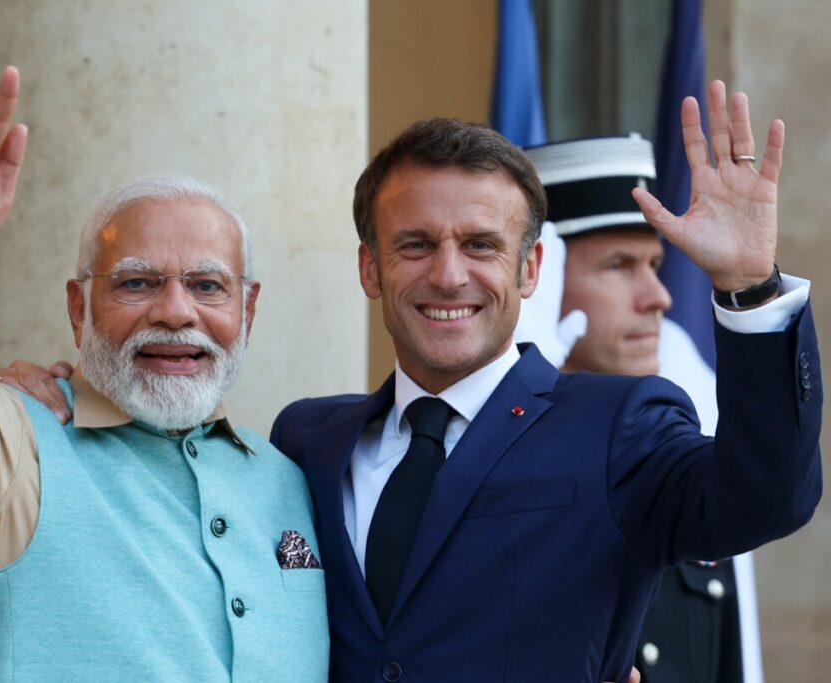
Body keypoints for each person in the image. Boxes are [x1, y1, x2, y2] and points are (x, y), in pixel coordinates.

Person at [270, 82, 820, 681]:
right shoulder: (307, 441)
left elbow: (766, 498)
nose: (449, 275)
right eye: (416, 245)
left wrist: (751, 288)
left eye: (481, 245)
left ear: (529, 268)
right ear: (369, 268)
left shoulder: (618, 426)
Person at [0, 51, 328, 681]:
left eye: (208, 286)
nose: (175, 311)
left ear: (249, 308)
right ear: (79, 309)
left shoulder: (288, 480)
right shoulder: (9, 445)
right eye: (137, 284)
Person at [519, 134, 765, 682]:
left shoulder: (683, 465)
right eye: (619, 265)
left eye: (654, 264)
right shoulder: (477, 469)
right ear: (536, 275)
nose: (659, 297)